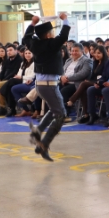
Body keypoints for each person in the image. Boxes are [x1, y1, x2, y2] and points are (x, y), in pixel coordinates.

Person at [23, 13, 71, 162]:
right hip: (50, 85)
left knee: (54, 109)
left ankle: (37, 132)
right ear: (49, 34)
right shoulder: (51, 44)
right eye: (52, 32)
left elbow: (26, 38)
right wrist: (64, 20)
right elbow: (64, 35)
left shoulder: (35, 44)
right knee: (61, 115)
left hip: (40, 85)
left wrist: (32, 23)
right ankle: (43, 144)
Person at [59, 44, 93, 115]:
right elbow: (62, 71)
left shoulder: (87, 60)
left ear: (82, 51)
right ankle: (54, 112)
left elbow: (83, 74)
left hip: (77, 84)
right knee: (52, 89)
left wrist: (67, 78)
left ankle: (65, 114)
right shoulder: (68, 60)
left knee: (64, 91)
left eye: (76, 51)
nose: (74, 53)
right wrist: (62, 77)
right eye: (72, 51)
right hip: (64, 82)